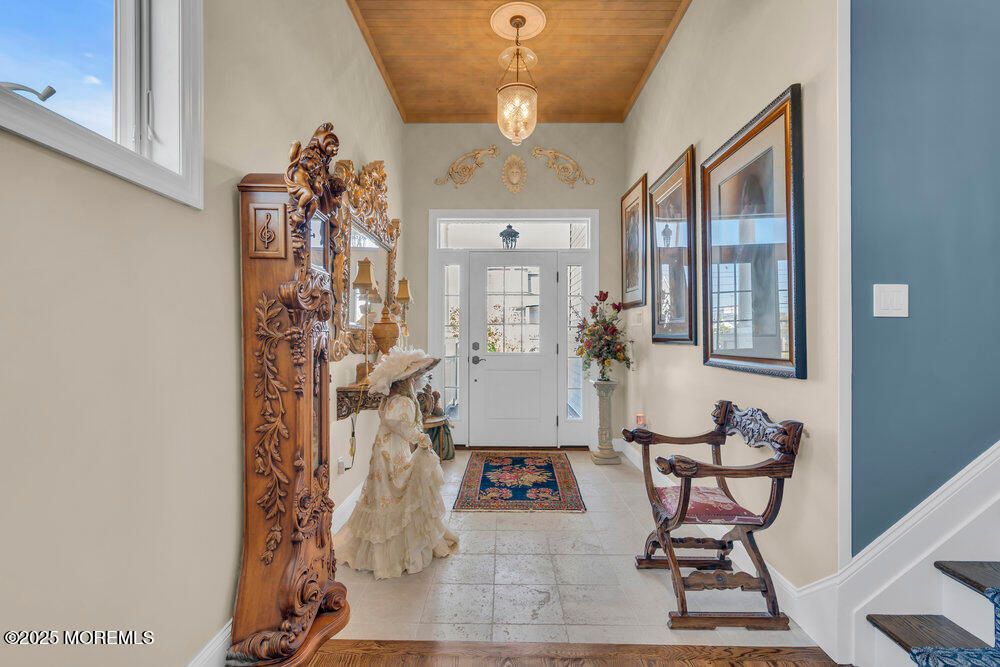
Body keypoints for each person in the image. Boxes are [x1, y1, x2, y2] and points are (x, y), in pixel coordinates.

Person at [333, 347, 459, 579]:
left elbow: (396, 425)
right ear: (405, 381)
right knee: (396, 491)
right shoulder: (402, 402)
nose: (417, 380)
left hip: (387, 449)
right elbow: (399, 425)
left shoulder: (393, 399)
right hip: (391, 452)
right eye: (414, 377)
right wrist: (421, 439)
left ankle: (390, 547)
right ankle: (394, 552)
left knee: (388, 491)